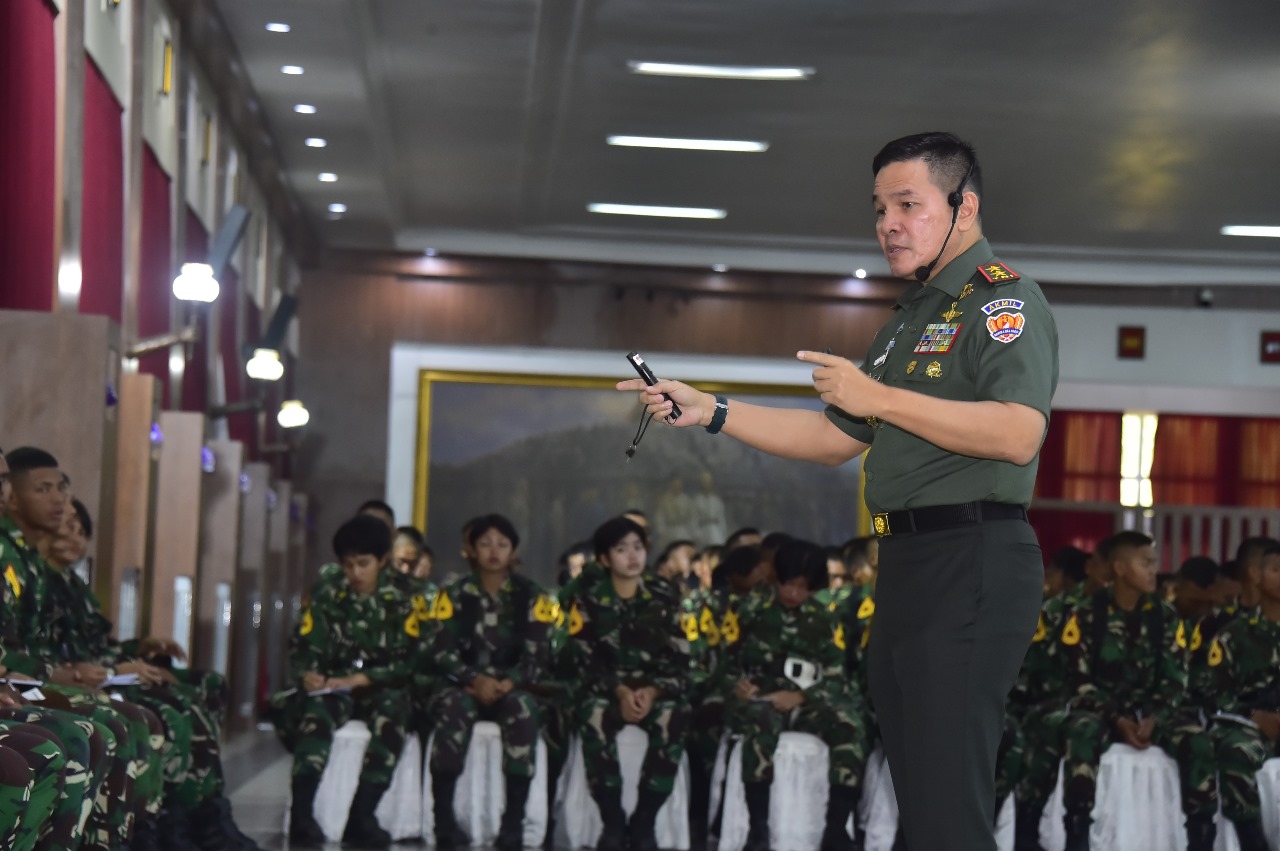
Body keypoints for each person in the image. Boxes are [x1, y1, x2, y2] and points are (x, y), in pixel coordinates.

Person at [619, 131, 1058, 851]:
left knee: (950, 799)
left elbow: (1016, 433)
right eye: (880, 208)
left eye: (908, 205)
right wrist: (711, 410)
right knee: (920, 796)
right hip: (910, 565)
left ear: (964, 206)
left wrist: (880, 398)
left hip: (973, 556)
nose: (888, 223)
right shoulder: (909, 321)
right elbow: (832, 440)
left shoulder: (1002, 303)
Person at [725, 537, 869, 851]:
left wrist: (802, 698)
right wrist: (737, 685)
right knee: (760, 723)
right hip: (759, 698)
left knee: (850, 725)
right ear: (776, 577)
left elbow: (837, 678)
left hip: (806, 701)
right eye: (788, 584)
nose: (793, 594)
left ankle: (835, 830)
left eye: (803, 587)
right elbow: (722, 661)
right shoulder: (750, 608)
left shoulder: (825, 618)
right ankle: (758, 829)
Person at [1056, 532, 1195, 851]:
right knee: (1081, 732)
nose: (1153, 571)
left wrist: (1155, 717)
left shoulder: (1166, 616)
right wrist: (1117, 719)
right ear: (1119, 568)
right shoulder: (1087, 615)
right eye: (1145, 563)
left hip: (1152, 714)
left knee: (1197, 740)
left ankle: (1199, 836)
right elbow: (1078, 682)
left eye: (1154, 563)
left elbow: (1176, 680)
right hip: (1103, 711)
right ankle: (1077, 834)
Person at [561, 517, 693, 851]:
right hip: (605, 690)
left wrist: (652, 691)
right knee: (594, 715)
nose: (632, 556)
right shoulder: (588, 597)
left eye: (638, 547)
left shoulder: (665, 595)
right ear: (605, 559)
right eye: (621, 550)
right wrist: (619, 691)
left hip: (654, 691)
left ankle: (645, 819)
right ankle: (613, 820)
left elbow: (680, 659)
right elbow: (583, 660)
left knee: (673, 715)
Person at [427, 514, 556, 851]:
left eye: (502, 544)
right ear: (472, 550)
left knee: (523, 710)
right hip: (463, 686)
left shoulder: (532, 596)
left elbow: (538, 657)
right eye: (485, 544)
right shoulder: (452, 594)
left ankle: (513, 823)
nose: (494, 551)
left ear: (514, 550)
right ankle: (443, 820)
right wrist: (472, 679)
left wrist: (508, 682)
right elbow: (440, 652)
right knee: (452, 708)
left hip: (511, 688)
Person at [287, 515, 416, 849]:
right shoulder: (329, 594)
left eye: (363, 564)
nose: (355, 573)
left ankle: (363, 815)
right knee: (316, 713)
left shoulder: (407, 598)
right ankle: (302, 814)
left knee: (393, 710)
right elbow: (304, 644)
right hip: (335, 685)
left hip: (382, 687)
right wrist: (309, 674)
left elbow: (418, 660)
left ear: (383, 560)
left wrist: (368, 677)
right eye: (348, 565)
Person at [1200, 542, 1280, 851]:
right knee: (1234, 751)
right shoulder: (1234, 633)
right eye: (1276, 570)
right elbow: (1210, 692)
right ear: (1257, 576)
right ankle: (1252, 841)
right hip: (1253, 726)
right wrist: (1254, 717)